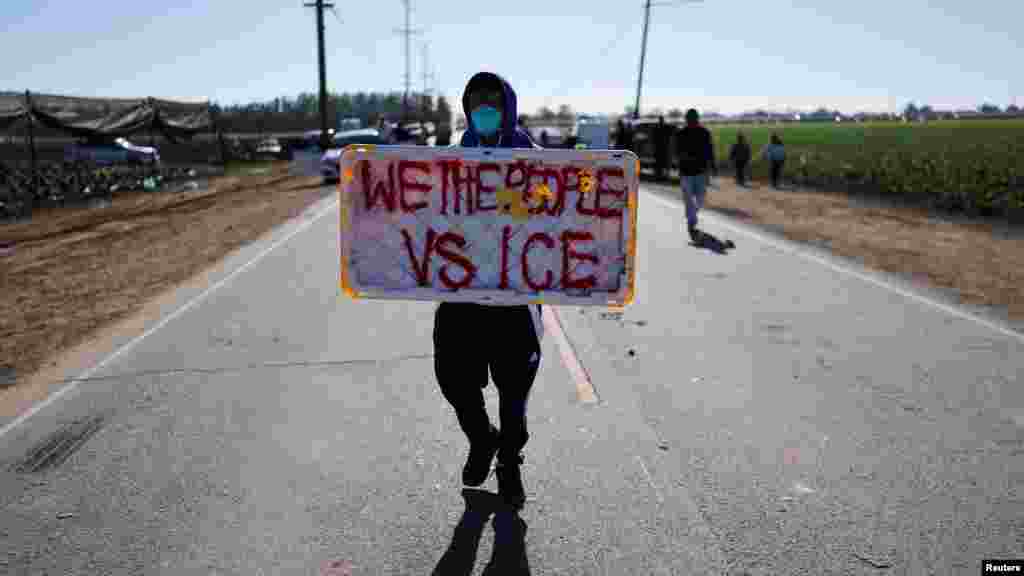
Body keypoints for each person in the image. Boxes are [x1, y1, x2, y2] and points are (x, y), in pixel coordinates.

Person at [434, 71, 544, 510]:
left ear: (507, 107)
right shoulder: (452, 158)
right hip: (462, 295)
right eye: (474, 102)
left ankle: (509, 463)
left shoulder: (536, 160)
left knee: (513, 393)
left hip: (515, 301)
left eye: (491, 102)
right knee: (454, 380)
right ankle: (482, 440)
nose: (482, 110)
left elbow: (555, 214)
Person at [675, 108, 718, 243]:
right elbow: (676, 151)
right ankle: (692, 220)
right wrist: (681, 158)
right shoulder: (681, 133)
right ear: (687, 120)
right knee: (688, 198)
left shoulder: (705, 133)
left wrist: (713, 165)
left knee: (700, 198)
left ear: (697, 119)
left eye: (694, 118)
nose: (692, 120)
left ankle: (692, 216)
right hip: (686, 172)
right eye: (689, 118)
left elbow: (710, 149)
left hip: (701, 171)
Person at [654, 115, 671, 181]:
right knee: (662, 163)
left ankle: (659, 176)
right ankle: (662, 176)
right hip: (663, 147)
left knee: (660, 164)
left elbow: (654, 137)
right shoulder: (665, 127)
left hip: (660, 147)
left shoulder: (657, 127)